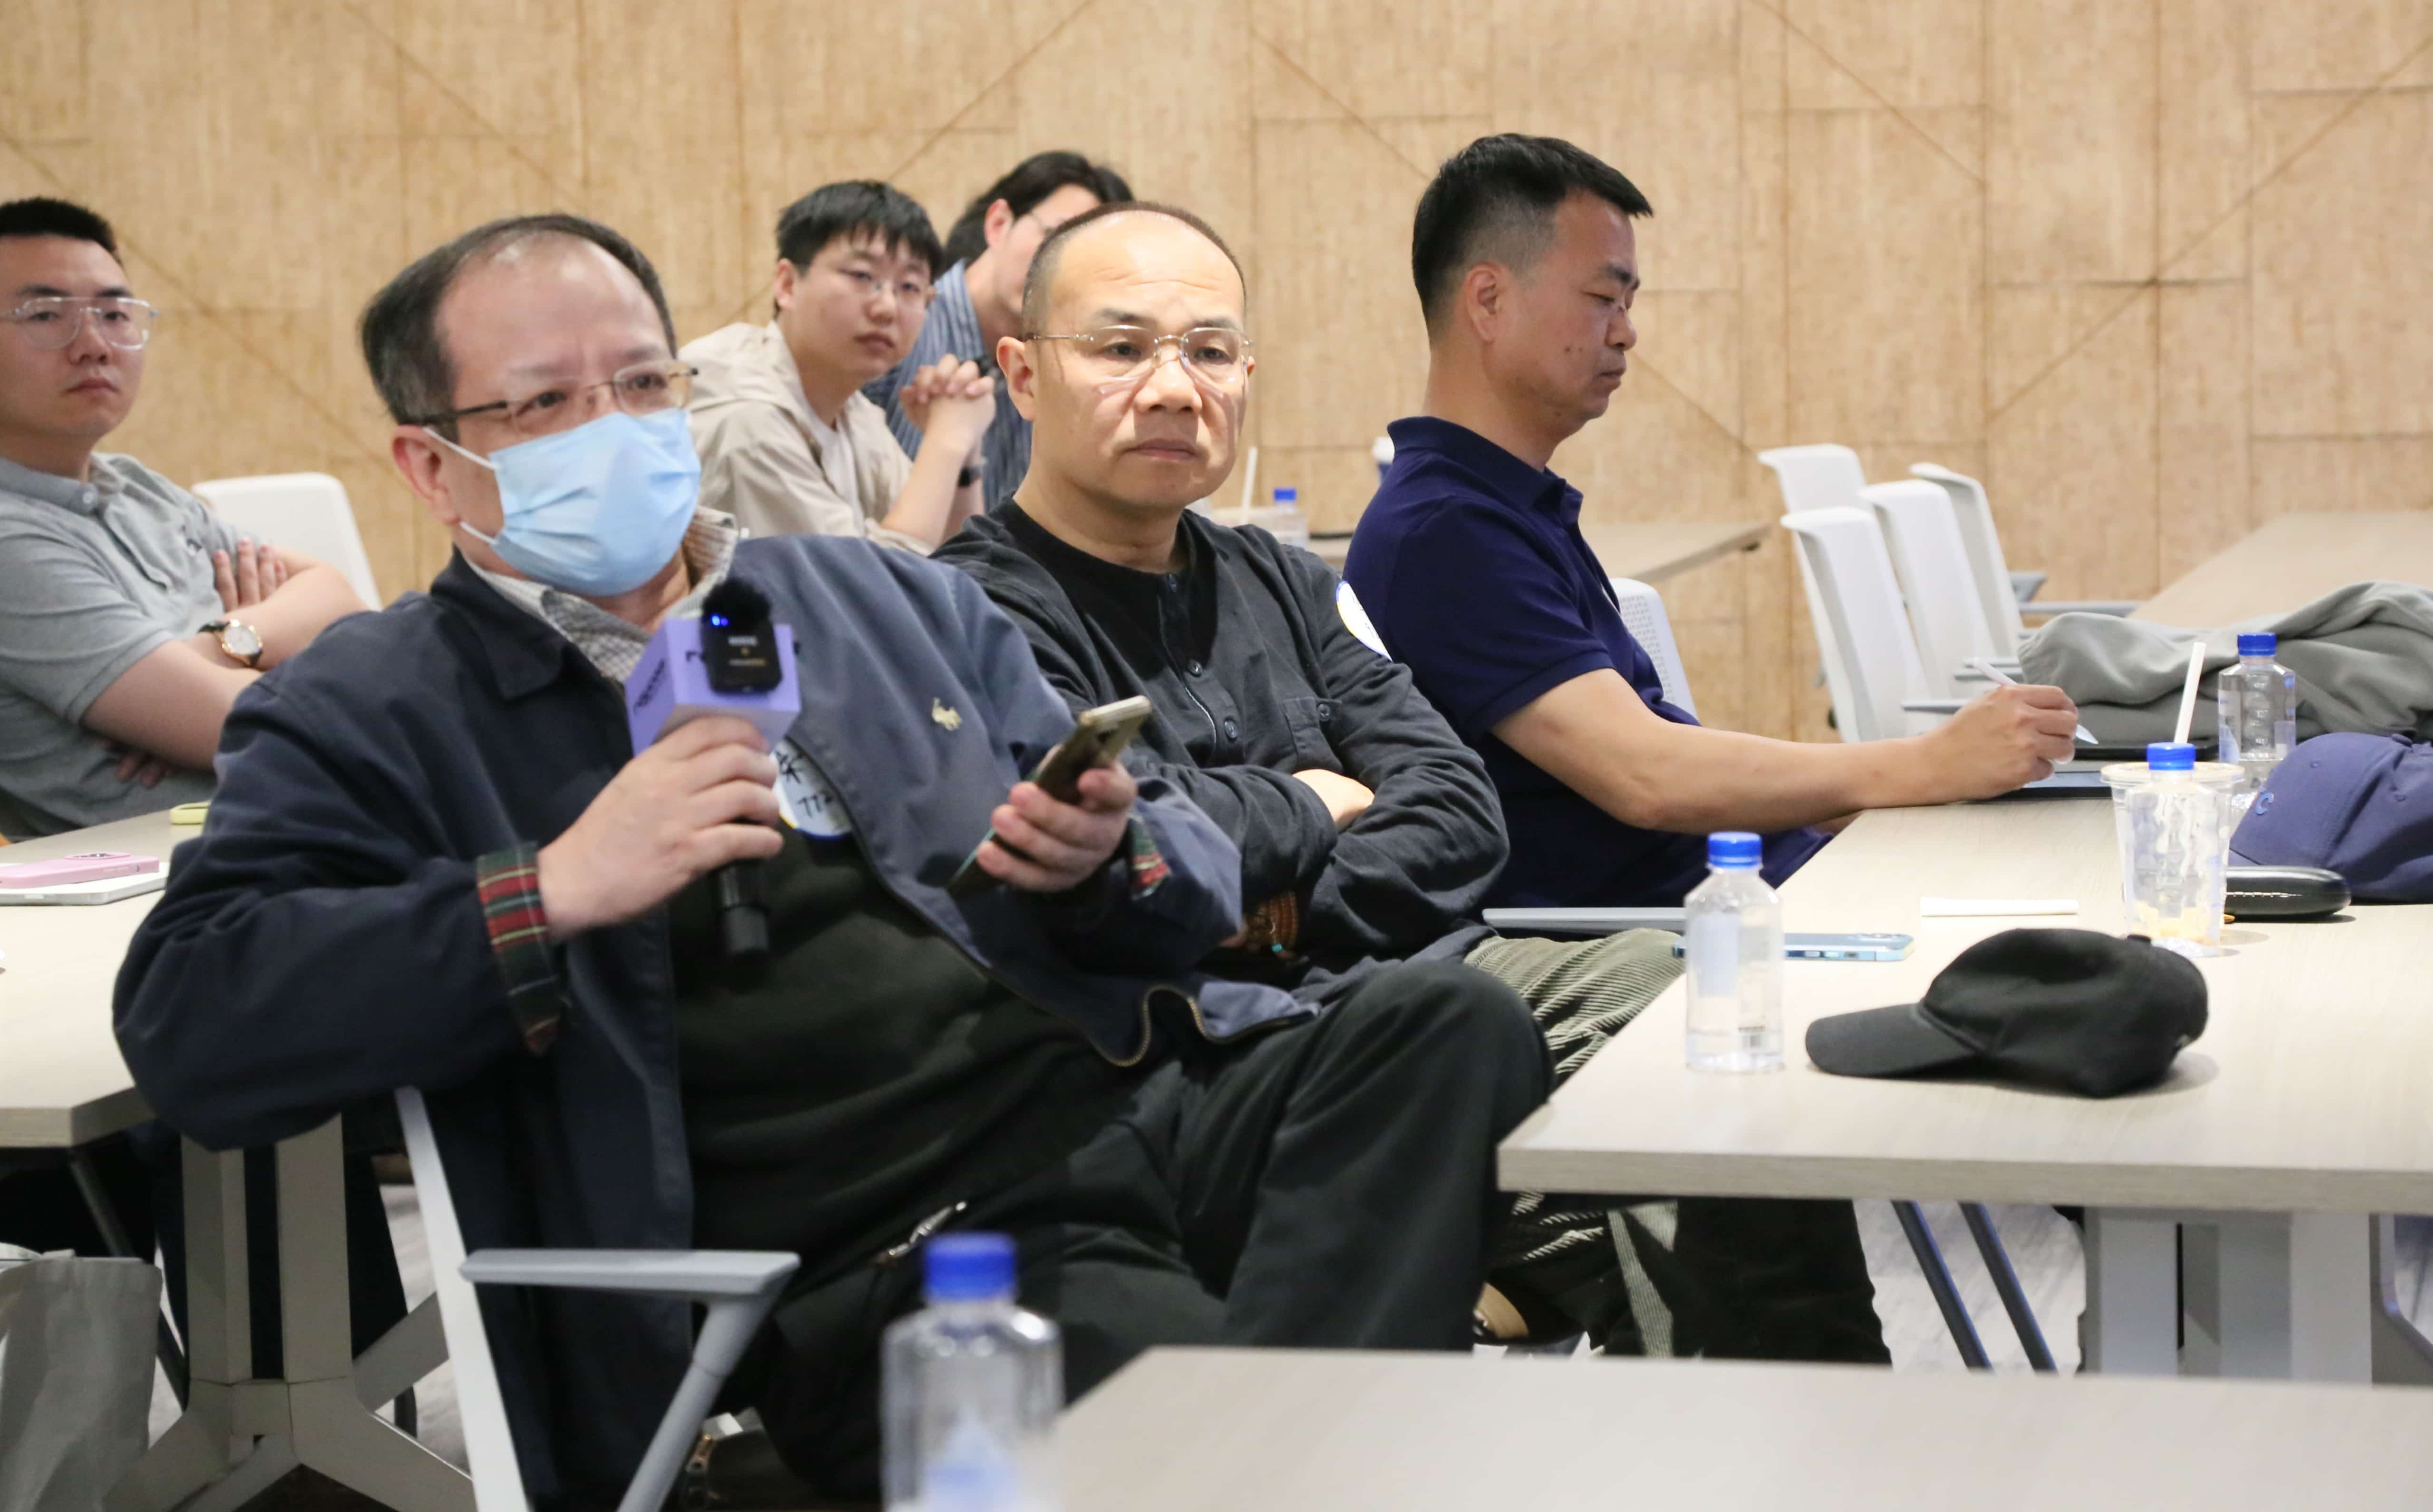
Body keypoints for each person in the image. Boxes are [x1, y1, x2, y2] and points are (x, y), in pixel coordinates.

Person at [114, 214, 1548, 1506]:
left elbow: (1181, 854)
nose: (613, 426)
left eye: (643, 382)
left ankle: (1274, 1457)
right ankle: (1280, 1455)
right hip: (911, 1244)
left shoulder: (870, 597)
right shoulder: (377, 704)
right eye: (546, 403)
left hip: (1141, 1089)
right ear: (432, 465)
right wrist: (551, 890)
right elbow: (192, 1019)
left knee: (1446, 1024)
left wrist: (1107, 858)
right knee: (1203, 1410)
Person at [938, 201, 1888, 1361]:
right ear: (1022, 374)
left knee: (1690, 1006)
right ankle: (1793, 1407)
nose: (1175, 389)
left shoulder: (1282, 580)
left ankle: (1801, 1417)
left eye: (1210, 352)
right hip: (1214, 1058)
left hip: (1428, 998)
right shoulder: (973, 612)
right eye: (1122, 348)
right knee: (1663, 1161)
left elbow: (1457, 810)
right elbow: (1135, 864)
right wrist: (1317, 797)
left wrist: (1271, 906)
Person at [1348, 135, 2080, 911]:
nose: (1625, 332)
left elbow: (1667, 764)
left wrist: (1937, 772)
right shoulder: (1443, 534)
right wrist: (1931, 763)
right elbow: (1647, 776)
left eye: (1629, 305)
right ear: (1489, 300)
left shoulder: (1506, 505)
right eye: (1602, 299)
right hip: (1702, 946)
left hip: (1764, 897)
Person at [0, 197, 368, 837]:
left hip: (311, 828)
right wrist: (264, 667)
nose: (94, 345)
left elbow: (337, 598)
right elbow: (244, 726)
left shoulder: (137, 488)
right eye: (45, 315)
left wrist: (222, 646)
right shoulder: (0, 540)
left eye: (114, 314)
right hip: (195, 870)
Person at [685, 180, 995, 550]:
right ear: (787, 285)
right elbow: (871, 581)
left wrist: (965, 456)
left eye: (910, 287)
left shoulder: (853, 412)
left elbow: (961, 567)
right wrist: (946, 440)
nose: (887, 308)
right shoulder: (746, 416)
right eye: (862, 277)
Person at [863, 151, 1131, 510]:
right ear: (999, 224)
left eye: (1091, 261)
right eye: (1055, 239)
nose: (1062, 271)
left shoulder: (1067, 366)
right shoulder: (897, 323)